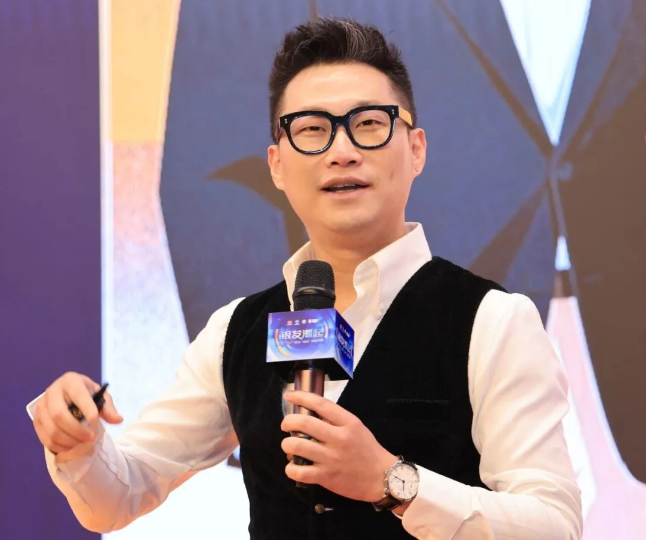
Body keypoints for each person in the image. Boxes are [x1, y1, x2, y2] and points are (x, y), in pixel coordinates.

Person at [29, 17, 582, 540]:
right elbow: (120, 493)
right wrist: (78, 442)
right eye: (313, 130)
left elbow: (554, 524)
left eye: (368, 124)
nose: (342, 152)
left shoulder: (492, 322)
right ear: (276, 164)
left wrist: (393, 482)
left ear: (415, 149)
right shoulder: (236, 331)